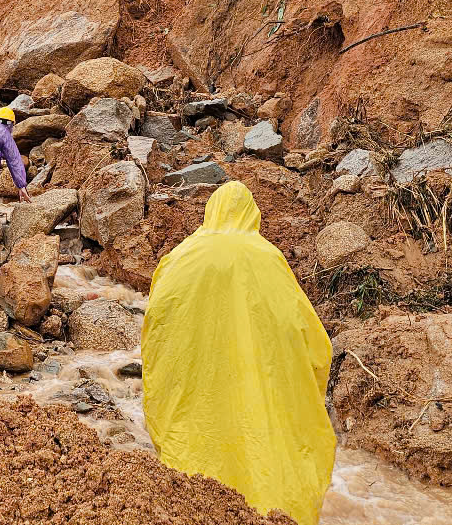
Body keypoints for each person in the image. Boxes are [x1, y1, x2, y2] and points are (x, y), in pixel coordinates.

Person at [139, 181, 335, 525]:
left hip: (199, 386)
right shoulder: (269, 258)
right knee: (265, 464)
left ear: (209, 211)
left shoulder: (182, 255)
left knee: (197, 462)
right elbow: (310, 335)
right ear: (252, 214)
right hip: (258, 386)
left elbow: (157, 321)